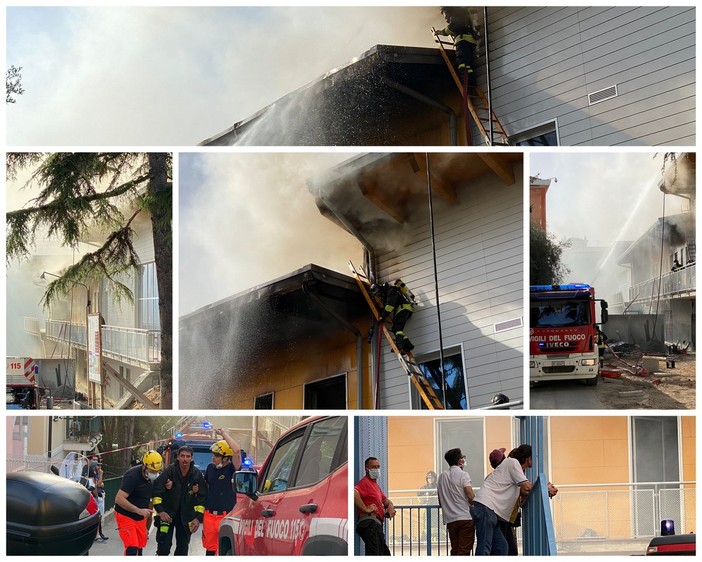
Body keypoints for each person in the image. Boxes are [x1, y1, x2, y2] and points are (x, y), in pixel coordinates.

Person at [470, 444, 533, 555]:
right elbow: (526, 487)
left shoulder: (509, 468)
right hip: (486, 508)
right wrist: (543, 488)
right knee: (485, 549)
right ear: (529, 459)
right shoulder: (512, 462)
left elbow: (523, 490)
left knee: (502, 547)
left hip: (489, 510)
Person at [152, 445, 208, 556]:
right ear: (177, 457)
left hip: (186, 517)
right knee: (164, 547)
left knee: (182, 549)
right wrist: (161, 511)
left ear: (191, 458)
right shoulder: (170, 471)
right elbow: (156, 491)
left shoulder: (197, 475)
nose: (185, 459)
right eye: (182, 456)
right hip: (167, 515)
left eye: (188, 456)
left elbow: (202, 498)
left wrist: (197, 518)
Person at [114, 450, 163, 556]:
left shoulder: (154, 478)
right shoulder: (132, 476)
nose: (155, 473)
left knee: (140, 547)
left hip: (141, 518)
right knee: (132, 547)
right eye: (152, 470)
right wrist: (138, 510)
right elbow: (119, 499)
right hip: (126, 515)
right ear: (144, 466)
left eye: (157, 471)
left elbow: (150, 500)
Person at [202, 429, 242, 556]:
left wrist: (223, 434)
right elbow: (206, 487)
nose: (213, 457)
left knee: (223, 550)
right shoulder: (210, 468)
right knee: (210, 549)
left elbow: (236, 450)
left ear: (225, 458)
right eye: (213, 454)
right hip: (209, 515)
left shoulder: (232, 469)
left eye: (217, 455)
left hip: (224, 516)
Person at [436, 448, 475, 555]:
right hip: (465, 517)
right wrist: (475, 505)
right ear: (459, 461)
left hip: (450, 520)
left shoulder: (441, 477)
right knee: (464, 551)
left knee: (455, 549)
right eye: (462, 457)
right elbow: (470, 495)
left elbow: (440, 500)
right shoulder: (463, 475)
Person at [354, 457, 396, 555]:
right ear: (366, 469)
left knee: (384, 554)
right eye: (373, 467)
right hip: (370, 524)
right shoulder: (364, 483)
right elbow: (354, 493)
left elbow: (386, 500)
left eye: (378, 467)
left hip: (376, 525)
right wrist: (366, 509)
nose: (376, 469)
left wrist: (390, 507)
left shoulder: (375, 486)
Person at [435, 7, 479, 87]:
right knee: (468, 62)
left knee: (461, 61)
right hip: (469, 40)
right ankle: (471, 80)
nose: (445, 18)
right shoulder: (463, 13)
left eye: (446, 15)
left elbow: (451, 28)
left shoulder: (457, 16)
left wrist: (440, 32)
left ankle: (465, 79)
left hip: (463, 41)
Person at [371, 280, 416, 353]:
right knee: (395, 329)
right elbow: (387, 306)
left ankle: (400, 346)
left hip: (403, 309)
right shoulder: (386, 294)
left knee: (398, 327)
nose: (379, 295)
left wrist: (382, 317)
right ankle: (408, 345)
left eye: (378, 293)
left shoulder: (391, 290)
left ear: (380, 289)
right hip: (401, 310)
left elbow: (389, 306)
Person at [488, 448, 518, 556]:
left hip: (500, 515)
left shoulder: (491, 477)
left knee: (502, 546)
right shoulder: (507, 476)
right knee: (505, 548)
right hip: (501, 516)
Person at [85, 453, 109, 543]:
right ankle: (97, 535)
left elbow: (100, 484)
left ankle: (99, 534)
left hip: (96, 495)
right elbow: (95, 485)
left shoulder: (92, 469)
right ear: (89, 460)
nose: (95, 462)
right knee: (96, 517)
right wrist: (95, 496)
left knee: (98, 516)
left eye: (96, 460)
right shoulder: (89, 470)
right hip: (94, 496)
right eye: (94, 459)